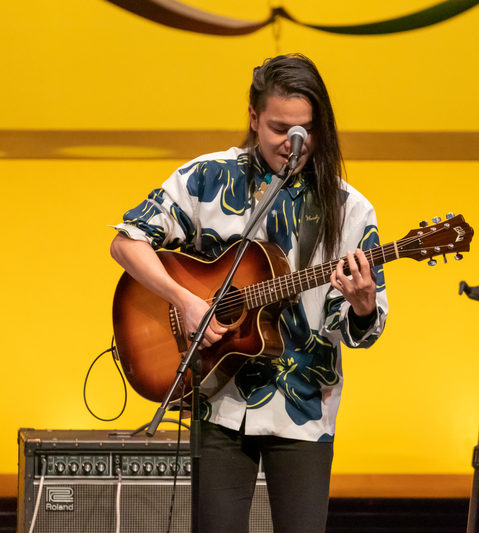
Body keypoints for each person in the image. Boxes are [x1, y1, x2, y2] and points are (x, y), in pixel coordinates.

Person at [110, 53, 388, 533]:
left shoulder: (350, 209)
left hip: (303, 408)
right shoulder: (207, 179)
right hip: (218, 401)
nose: (294, 143)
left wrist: (362, 305)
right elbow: (126, 241)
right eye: (281, 128)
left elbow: (361, 331)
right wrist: (184, 300)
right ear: (254, 119)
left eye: (306, 130)